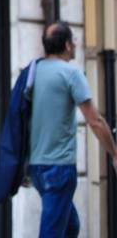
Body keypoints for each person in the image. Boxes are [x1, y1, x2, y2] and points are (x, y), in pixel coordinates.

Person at [29, 21, 117, 237]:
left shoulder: (33, 72)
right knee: (52, 232)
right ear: (67, 45)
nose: (76, 44)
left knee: (70, 226)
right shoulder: (71, 73)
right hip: (58, 169)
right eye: (74, 40)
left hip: (37, 168)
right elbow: (95, 121)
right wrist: (115, 154)